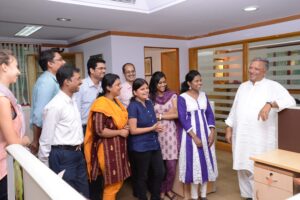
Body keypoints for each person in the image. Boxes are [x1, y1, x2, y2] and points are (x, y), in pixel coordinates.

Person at [225, 57, 296, 200]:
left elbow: (290, 101)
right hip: (241, 136)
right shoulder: (243, 86)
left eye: (256, 69)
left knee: (256, 169)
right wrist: (229, 127)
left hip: (260, 138)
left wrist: (270, 104)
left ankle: (258, 196)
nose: (251, 71)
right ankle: (247, 196)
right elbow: (235, 108)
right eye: (251, 67)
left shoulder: (273, 86)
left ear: (264, 71)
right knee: (242, 167)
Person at [38, 65, 89, 198]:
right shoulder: (55, 106)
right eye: (77, 79)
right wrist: (44, 168)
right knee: (66, 195)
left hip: (77, 153)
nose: (81, 81)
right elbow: (45, 139)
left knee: (83, 193)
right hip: (63, 155)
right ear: (67, 82)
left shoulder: (72, 100)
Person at [84, 73, 131, 200]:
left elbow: (120, 122)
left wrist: (124, 128)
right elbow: (99, 130)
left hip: (118, 148)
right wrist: (120, 132)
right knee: (112, 184)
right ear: (108, 88)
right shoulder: (101, 104)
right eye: (117, 85)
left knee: (117, 182)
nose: (120, 87)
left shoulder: (116, 102)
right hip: (107, 150)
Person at [177, 70, 218, 200]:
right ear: (189, 83)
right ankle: (194, 196)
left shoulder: (203, 95)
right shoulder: (182, 97)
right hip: (190, 135)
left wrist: (212, 131)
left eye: (200, 80)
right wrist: (194, 136)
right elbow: (183, 118)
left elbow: (209, 114)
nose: (200, 83)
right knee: (195, 163)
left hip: (206, 132)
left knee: (206, 162)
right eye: (196, 81)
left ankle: (204, 195)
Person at [127, 78, 165, 200]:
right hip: (140, 147)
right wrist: (152, 128)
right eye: (142, 89)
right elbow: (133, 130)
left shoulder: (149, 103)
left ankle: (155, 196)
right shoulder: (133, 106)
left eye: (147, 88)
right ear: (134, 92)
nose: (146, 91)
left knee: (160, 172)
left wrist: (156, 128)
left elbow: (152, 123)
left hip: (154, 144)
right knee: (142, 176)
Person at [0, 49, 30, 200]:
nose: (18, 72)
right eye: (16, 66)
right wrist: (25, 140)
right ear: (4, 67)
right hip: (3, 169)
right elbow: (13, 142)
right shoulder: (2, 99)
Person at [30, 49, 65, 155]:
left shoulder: (53, 80)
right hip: (47, 136)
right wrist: (36, 141)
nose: (64, 62)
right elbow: (39, 113)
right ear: (50, 64)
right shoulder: (47, 82)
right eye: (60, 60)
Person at [149, 71, 178, 200]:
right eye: (160, 82)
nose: (163, 84)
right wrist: (168, 114)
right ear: (154, 84)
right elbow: (149, 115)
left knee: (171, 166)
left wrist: (159, 116)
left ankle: (168, 188)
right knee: (159, 168)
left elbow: (176, 114)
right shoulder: (150, 97)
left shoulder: (172, 96)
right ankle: (161, 190)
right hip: (156, 134)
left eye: (164, 82)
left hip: (171, 134)